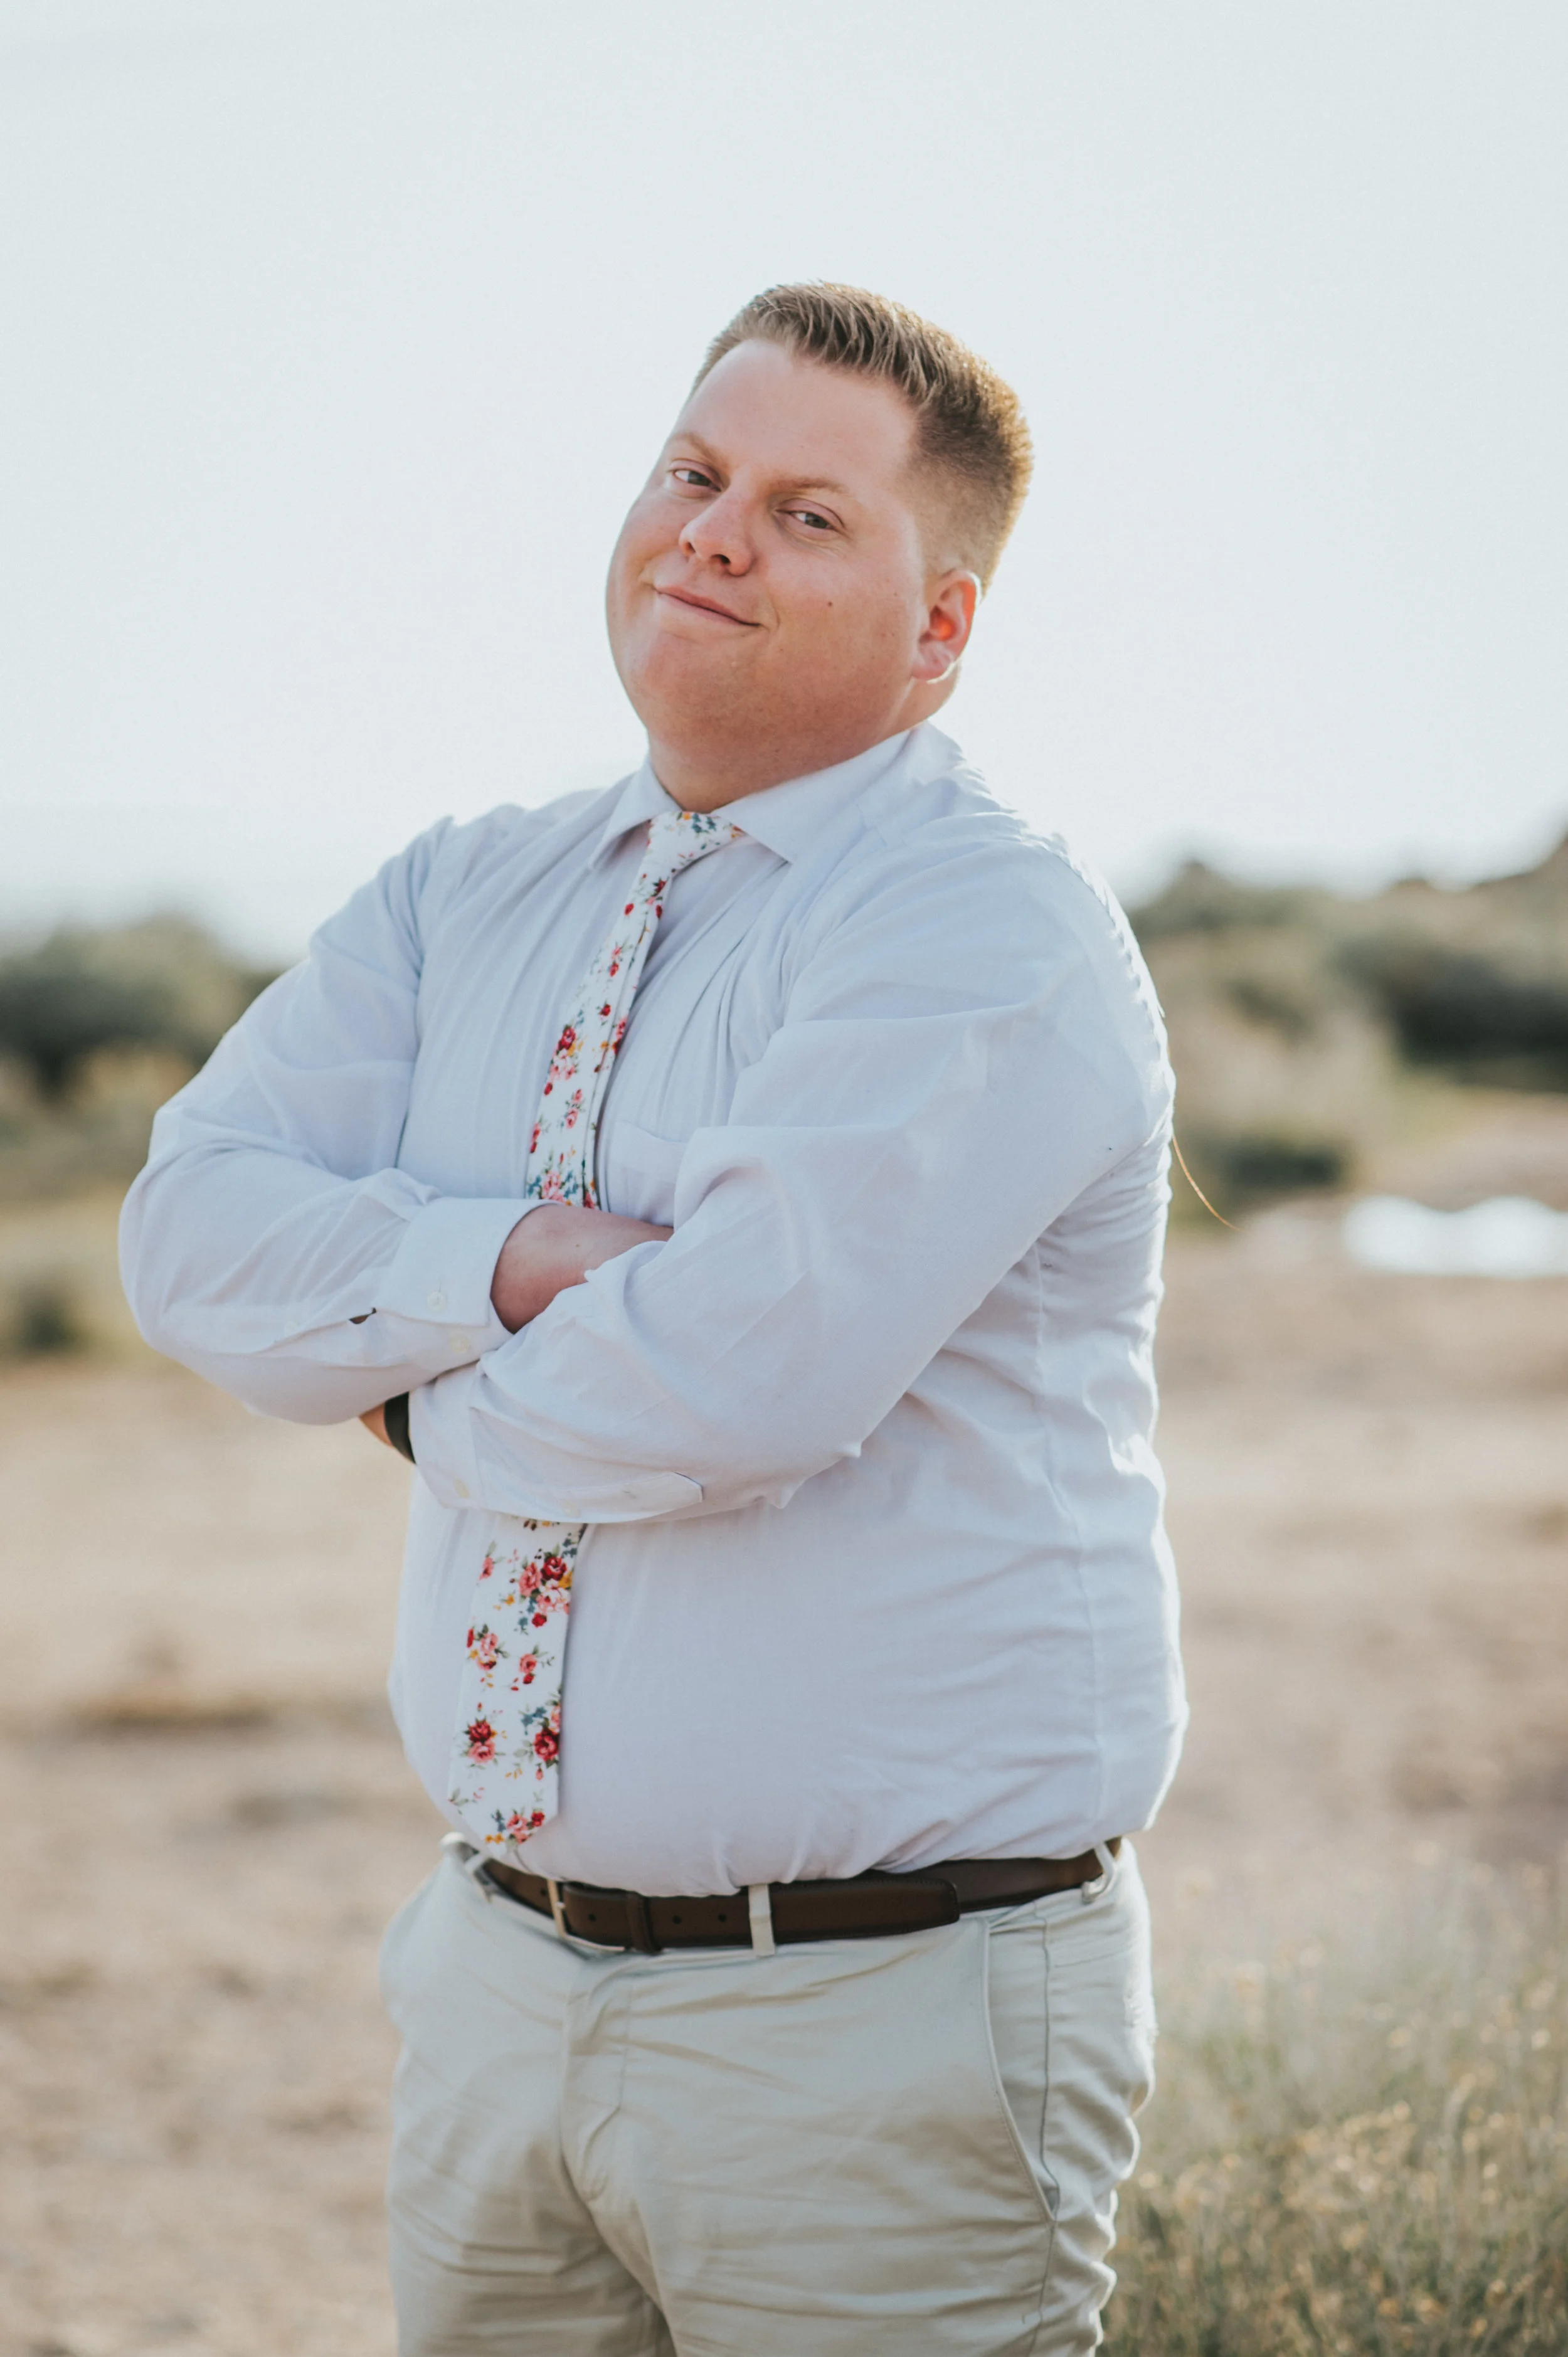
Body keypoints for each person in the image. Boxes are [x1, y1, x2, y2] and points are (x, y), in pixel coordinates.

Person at [120, 282, 1185, 2356]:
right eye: (693, 473)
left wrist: (395, 1391)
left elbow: (731, 1377)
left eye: (804, 513)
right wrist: (509, 1267)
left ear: (937, 625)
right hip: (494, 1979)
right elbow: (186, 1241)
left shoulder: (978, 923)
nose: (707, 531)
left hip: (880, 2020)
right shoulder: (461, 890)